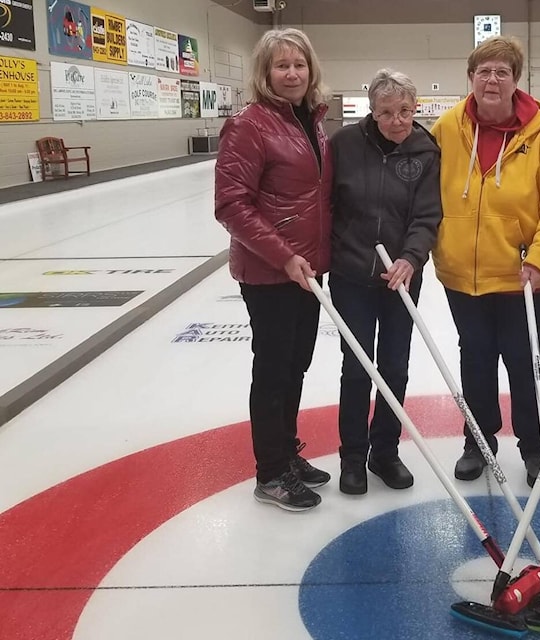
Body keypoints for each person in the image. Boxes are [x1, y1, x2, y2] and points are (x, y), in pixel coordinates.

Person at [431, 36, 540, 488]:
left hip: (523, 277)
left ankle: (534, 447)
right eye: (483, 71)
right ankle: (478, 441)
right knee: (474, 359)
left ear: (516, 79)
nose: (492, 79)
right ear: (470, 77)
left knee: (525, 361)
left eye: (502, 72)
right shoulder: (447, 128)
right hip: (463, 275)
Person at [214, 28, 333, 512]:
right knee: (273, 370)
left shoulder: (311, 119)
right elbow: (231, 205)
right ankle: (270, 473)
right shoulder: (250, 125)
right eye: (281, 65)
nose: (292, 73)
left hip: (308, 270)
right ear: (265, 73)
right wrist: (283, 255)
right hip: (272, 273)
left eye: (299, 64)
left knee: (296, 365)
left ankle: (287, 454)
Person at [328, 69, 441, 495]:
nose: (398, 120)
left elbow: (427, 215)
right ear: (372, 112)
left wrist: (411, 258)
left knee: (394, 367)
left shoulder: (425, 150)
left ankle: (385, 453)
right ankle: (352, 457)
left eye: (405, 111)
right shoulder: (344, 145)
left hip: (401, 279)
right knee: (356, 367)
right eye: (387, 112)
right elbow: (327, 204)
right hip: (352, 276)